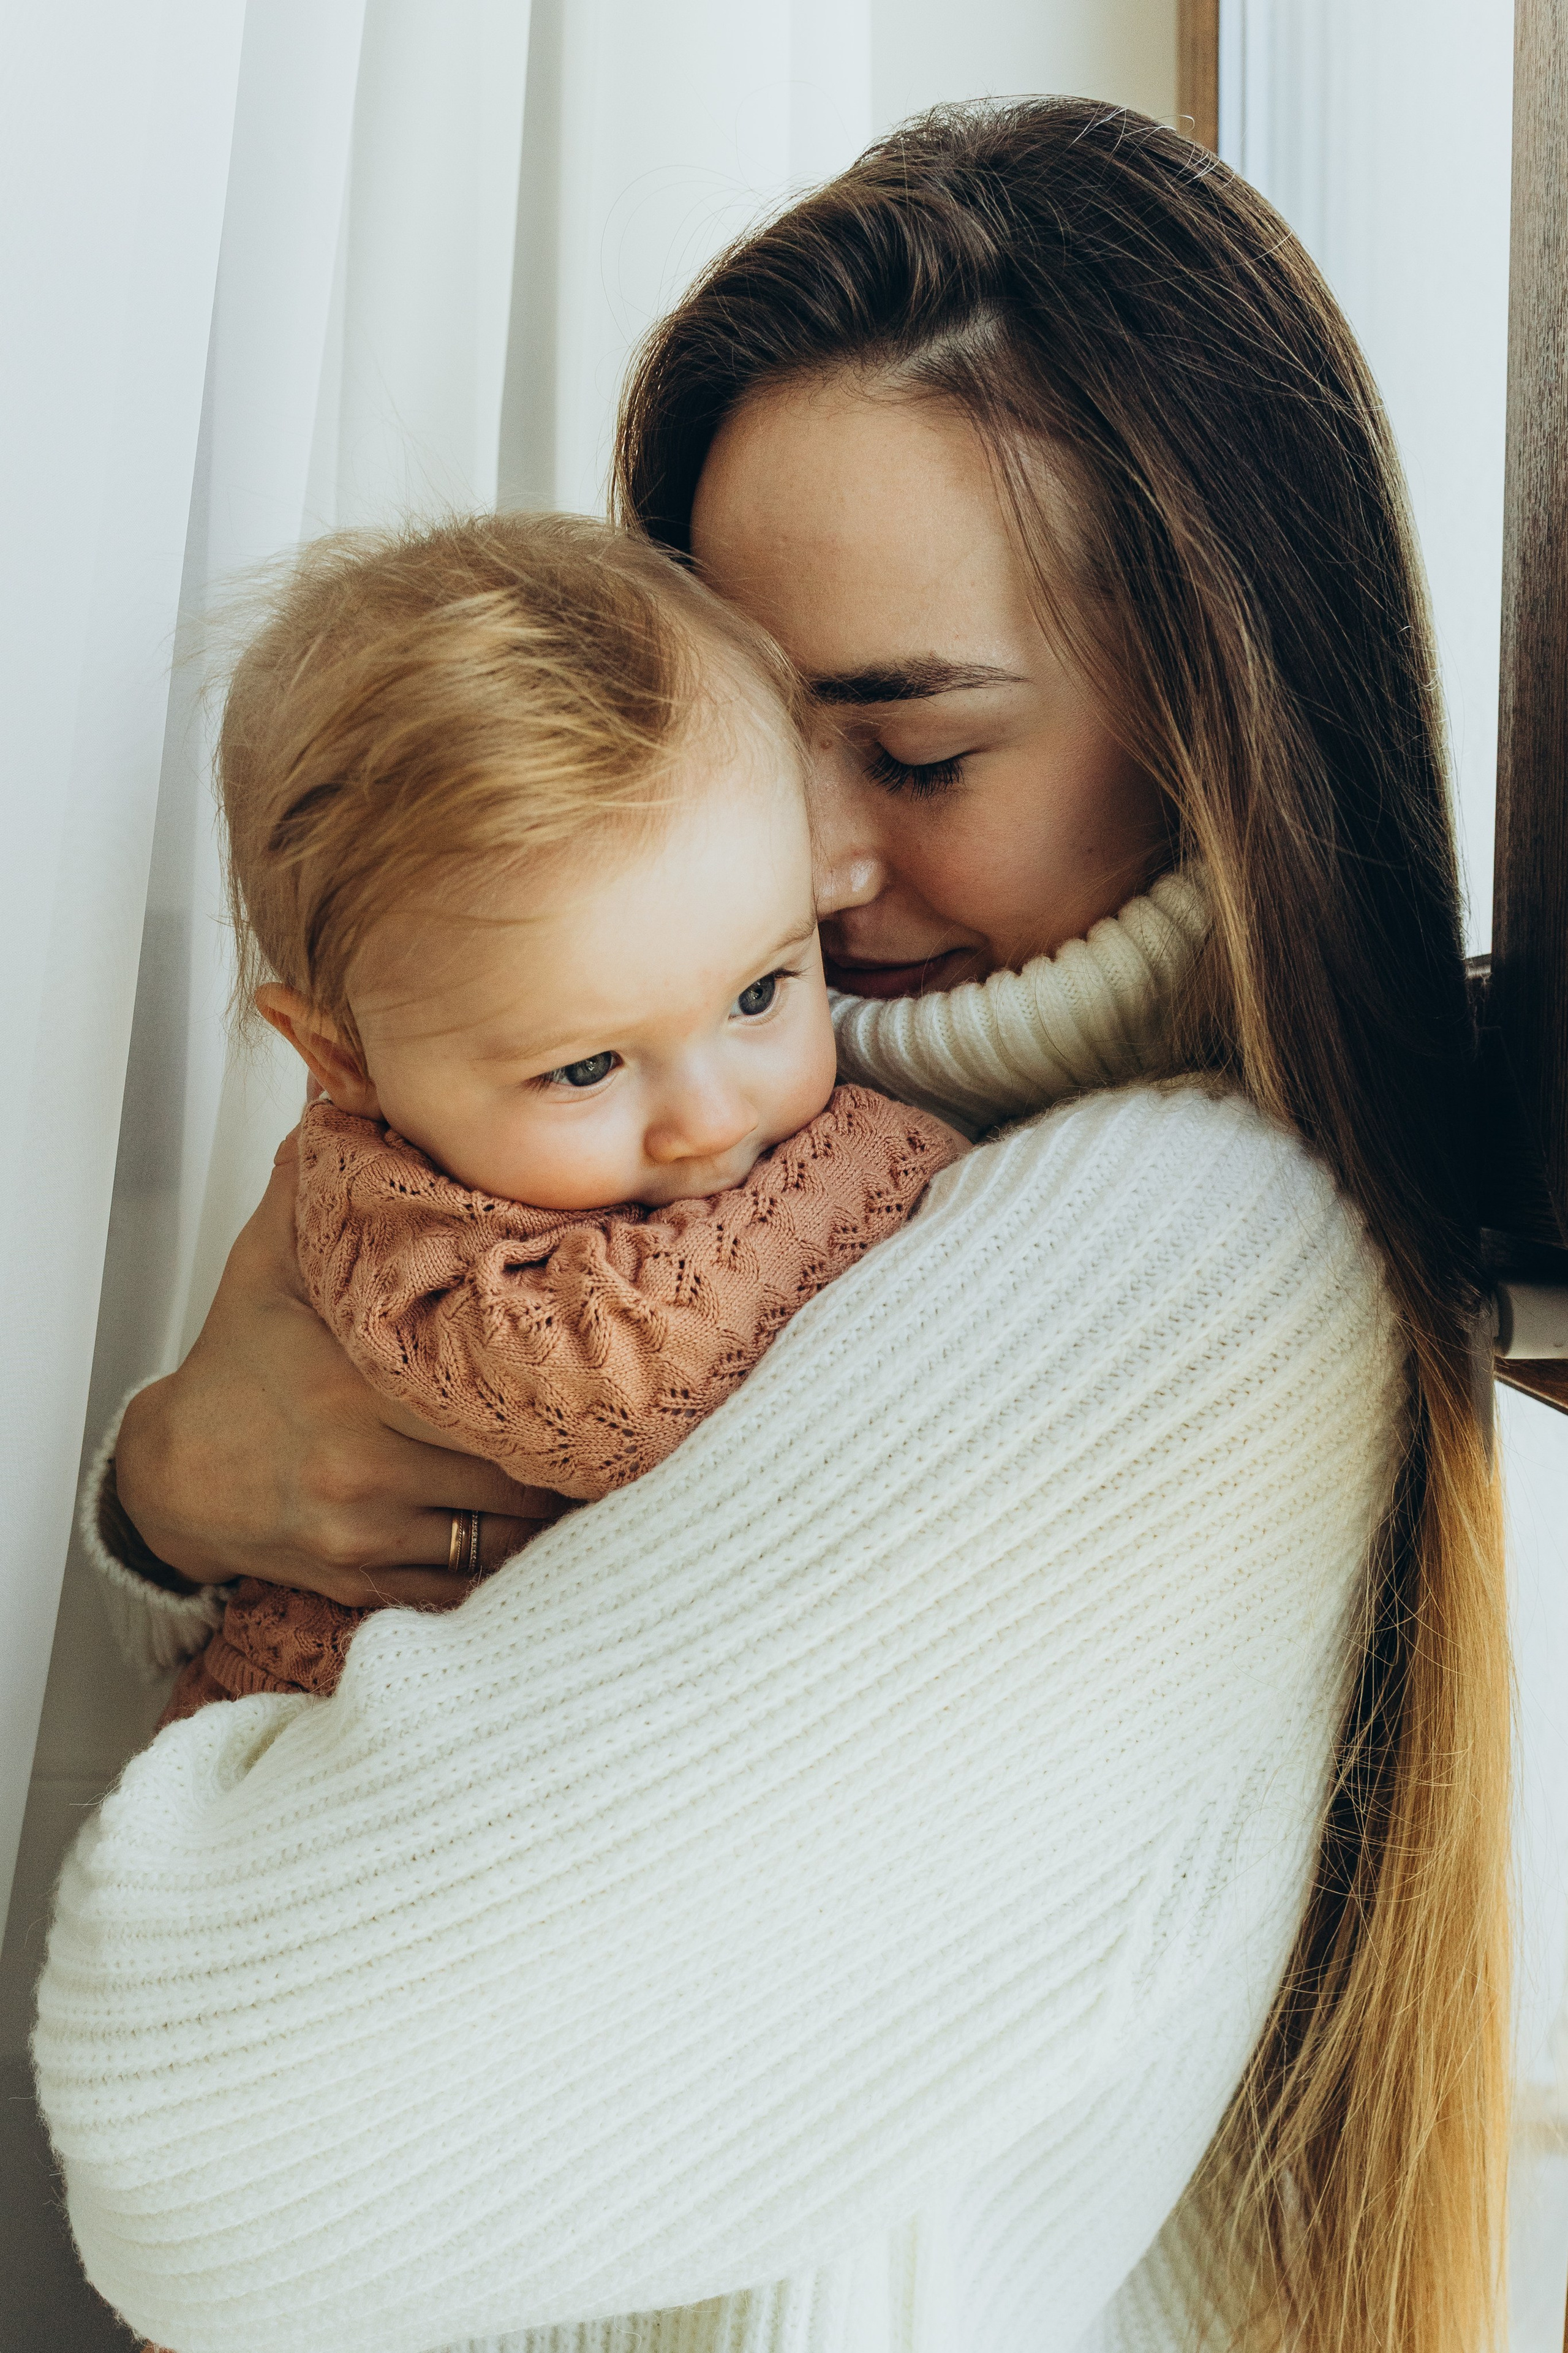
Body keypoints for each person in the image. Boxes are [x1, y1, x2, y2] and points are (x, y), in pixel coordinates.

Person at [35, 100, 1506, 2353]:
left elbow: (206, 2146)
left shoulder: (1190, 1259)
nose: (793, 869)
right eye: (729, 713)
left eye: (913, 757)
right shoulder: (661, 1189)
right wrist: (177, 1487)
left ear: (1220, 731)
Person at [161, 510, 962, 1724]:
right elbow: (611, 1385)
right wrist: (894, 1157)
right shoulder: (381, 1210)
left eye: (759, 991)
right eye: (586, 1069)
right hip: (300, 1765)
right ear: (343, 1060)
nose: (706, 1117)